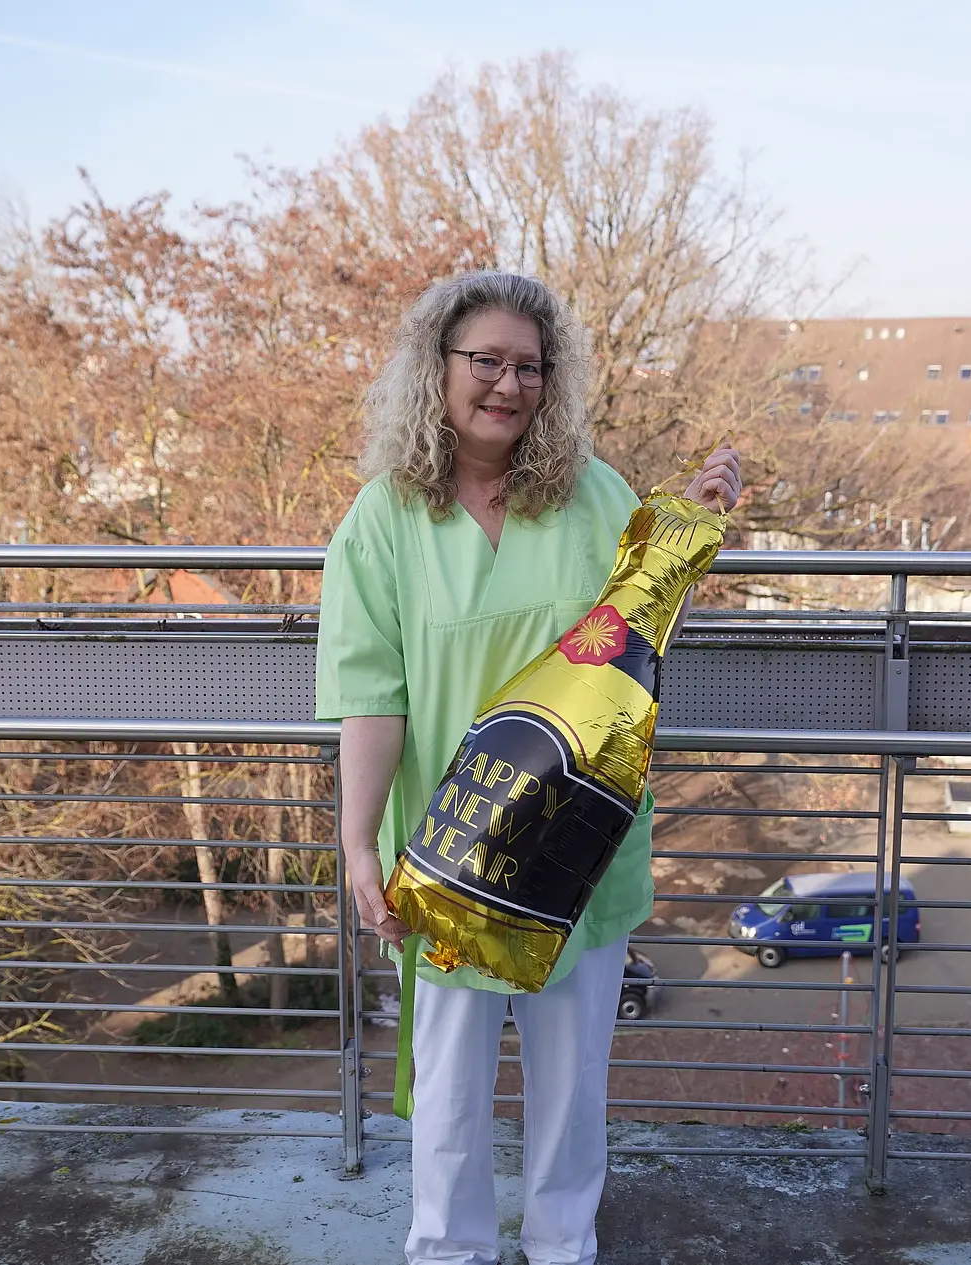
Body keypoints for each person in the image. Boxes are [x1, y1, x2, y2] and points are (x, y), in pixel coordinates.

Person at [316, 270, 739, 1265]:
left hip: (579, 848)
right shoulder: (382, 518)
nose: (507, 384)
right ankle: (447, 1248)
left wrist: (694, 523)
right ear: (438, 369)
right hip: (452, 851)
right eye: (486, 361)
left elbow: (645, 619)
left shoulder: (594, 495)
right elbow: (371, 696)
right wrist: (357, 843)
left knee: (568, 1087)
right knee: (452, 1080)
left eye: (528, 367)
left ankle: (562, 1245)